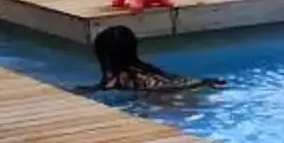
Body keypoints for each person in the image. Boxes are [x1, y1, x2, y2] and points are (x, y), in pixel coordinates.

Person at [91, 24, 222, 95]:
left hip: (166, 96)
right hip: (191, 86)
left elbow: (103, 89)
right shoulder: (148, 69)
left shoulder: (117, 78)